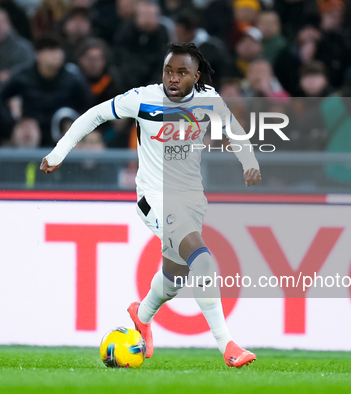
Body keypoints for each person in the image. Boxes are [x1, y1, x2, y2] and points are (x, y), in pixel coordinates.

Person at [40, 42, 260, 367]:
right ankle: (227, 344)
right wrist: (58, 153)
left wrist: (249, 160)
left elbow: (233, 128)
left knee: (174, 278)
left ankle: (141, 315)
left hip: (190, 199)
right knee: (203, 261)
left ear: (196, 76)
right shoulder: (143, 99)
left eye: (181, 73)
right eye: (168, 71)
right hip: (154, 198)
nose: (172, 78)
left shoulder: (208, 100)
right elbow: (96, 114)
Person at [0, 35, 92, 147]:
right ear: (38, 55)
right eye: (51, 51)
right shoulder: (23, 76)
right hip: (31, 129)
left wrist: (73, 122)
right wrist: (14, 124)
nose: (57, 55)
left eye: (59, 51)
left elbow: (87, 104)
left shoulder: (72, 78)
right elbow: (0, 97)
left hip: (62, 129)